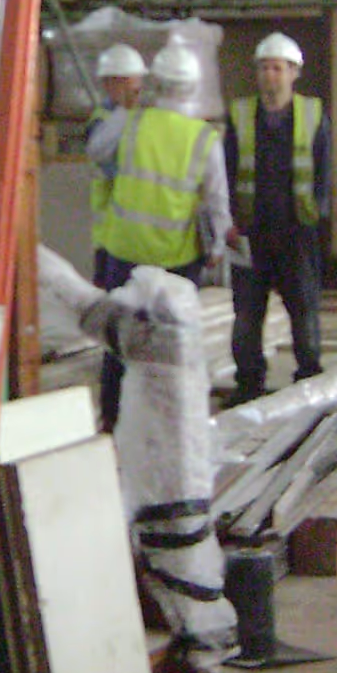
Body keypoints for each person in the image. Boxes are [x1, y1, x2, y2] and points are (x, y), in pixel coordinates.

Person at [91, 42, 231, 430]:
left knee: (119, 342)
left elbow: (96, 150)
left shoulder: (134, 120)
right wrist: (217, 245)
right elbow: (217, 202)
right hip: (177, 258)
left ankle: (113, 420)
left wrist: (125, 108)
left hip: (125, 252)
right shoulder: (204, 138)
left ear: (156, 83)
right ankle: (173, 423)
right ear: (191, 88)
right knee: (176, 345)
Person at [226, 31, 329, 403]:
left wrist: (316, 214)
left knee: (304, 310)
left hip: (295, 231)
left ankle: (309, 378)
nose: (271, 75)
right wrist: (230, 221)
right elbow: (227, 168)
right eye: (265, 68)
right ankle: (249, 384)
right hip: (251, 230)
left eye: (278, 68)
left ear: (294, 73)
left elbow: (323, 170)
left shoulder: (313, 113)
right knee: (247, 315)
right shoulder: (239, 115)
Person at [84, 41, 147, 231]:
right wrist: (124, 111)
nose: (135, 92)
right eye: (129, 84)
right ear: (109, 83)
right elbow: (98, 153)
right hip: (110, 220)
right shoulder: (102, 119)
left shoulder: (140, 115)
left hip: (136, 219)